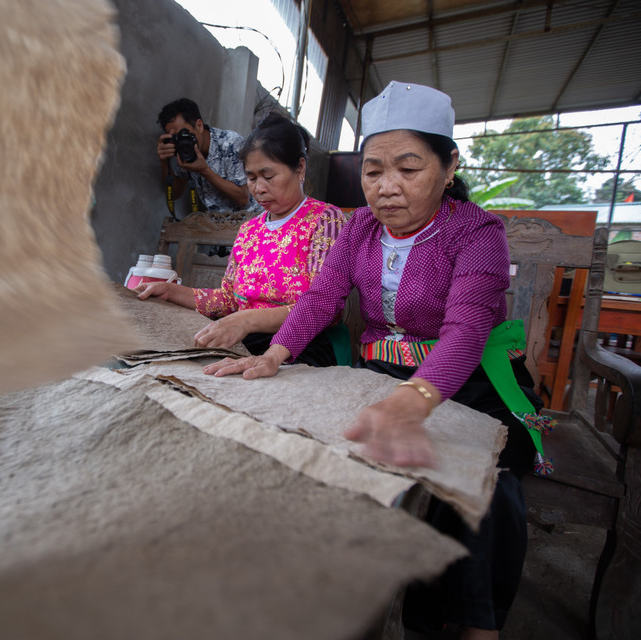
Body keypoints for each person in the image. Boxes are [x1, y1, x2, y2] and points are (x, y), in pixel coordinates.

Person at [204, 81, 549, 639]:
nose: (387, 187)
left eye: (408, 169)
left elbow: (466, 330)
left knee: (484, 484)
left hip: (472, 382)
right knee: (316, 450)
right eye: (373, 171)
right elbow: (322, 297)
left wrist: (415, 400)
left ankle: (473, 627)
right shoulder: (361, 227)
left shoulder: (476, 231)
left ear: (449, 166)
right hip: (381, 374)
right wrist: (275, 354)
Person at [138, 112, 348, 366]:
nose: (259, 188)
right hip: (246, 337)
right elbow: (228, 300)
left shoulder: (326, 220)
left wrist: (246, 321)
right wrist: (171, 291)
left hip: (302, 344)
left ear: (300, 168)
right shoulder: (250, 230)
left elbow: (321, 307)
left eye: (268, 177)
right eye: (251, 178)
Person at [156, 98, 262, 215]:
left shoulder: (230, 143)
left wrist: (204, 170)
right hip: (216, 222)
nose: (181, 140)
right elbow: (175, 194)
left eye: (183, 134)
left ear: (199, 125)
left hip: (250, 218)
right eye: (175, 137)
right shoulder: (183, 149)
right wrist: (164, 162)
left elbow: (243, 199)